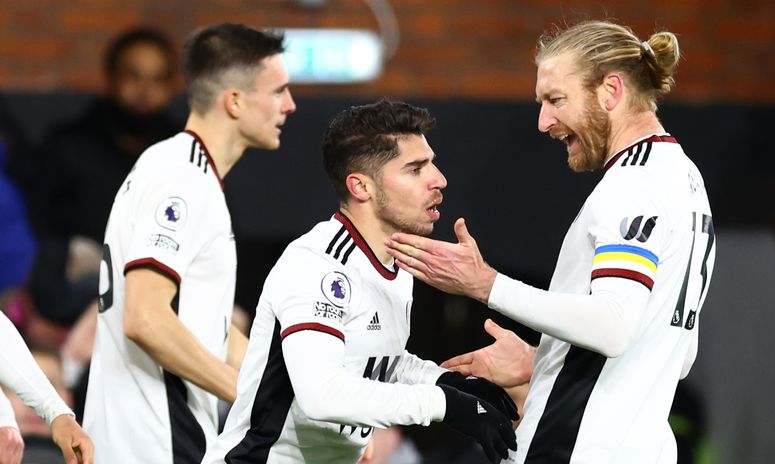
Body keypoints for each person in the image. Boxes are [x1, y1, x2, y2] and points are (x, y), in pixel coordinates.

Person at [386, 20, 716, 463]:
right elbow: (676, 353)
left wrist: (487, 286)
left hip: (575, 449)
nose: (544, 122)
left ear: (610, 91)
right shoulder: (684, 177)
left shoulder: (635, 183)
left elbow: (614, 324)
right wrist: (546, 359)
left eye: (556, 100)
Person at [202, 100, 518, 464]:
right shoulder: (317, 265)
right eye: (416, 169)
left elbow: (376, 361)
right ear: (360, 186)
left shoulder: (394, 264)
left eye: (431, 162)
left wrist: (447, 383)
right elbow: (321, 394)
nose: (439, 179)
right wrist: (444, 404)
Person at [83, 23, 296, 463]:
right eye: (278, 91)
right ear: (235, 100)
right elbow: (145, 319)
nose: (290, 105)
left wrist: (296, 405)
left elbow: (211, 328)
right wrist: (251, 401)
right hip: (154, 445)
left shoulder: (179, 167)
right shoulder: (183, 179)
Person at [26, 26, 180, 328]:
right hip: (77, 288)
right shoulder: (69, 145)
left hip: (163, 287)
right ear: (110, 78)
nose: (144, 91)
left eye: (158, 79)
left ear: (173, 85)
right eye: (133, 76)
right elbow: (43, 231)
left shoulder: (182, 152)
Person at [0, 313, 92, 464]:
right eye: (19, 391)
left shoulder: (97, 452)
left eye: (53, 385)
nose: (31, 407)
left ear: (68, 397)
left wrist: (57, 413)